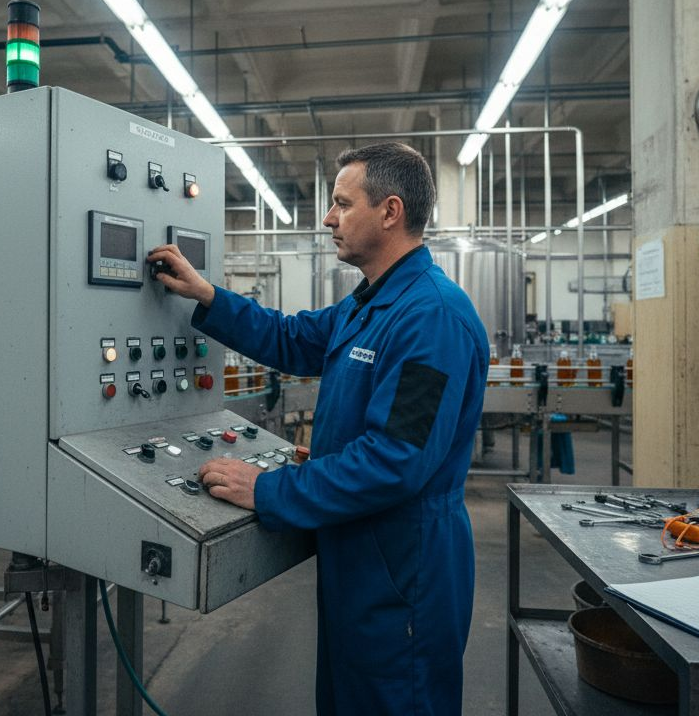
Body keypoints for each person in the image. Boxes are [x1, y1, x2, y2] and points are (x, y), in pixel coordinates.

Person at [146, 142, 489, 715]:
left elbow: (395, 461)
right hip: (361, 554)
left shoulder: (432, 317)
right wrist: (206, 295)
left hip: (405, 565)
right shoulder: (370, 303)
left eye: (341, 203)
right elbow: (294, 338)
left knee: (395, 700)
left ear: (390, 211)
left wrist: (268, 488)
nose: (328, 218)